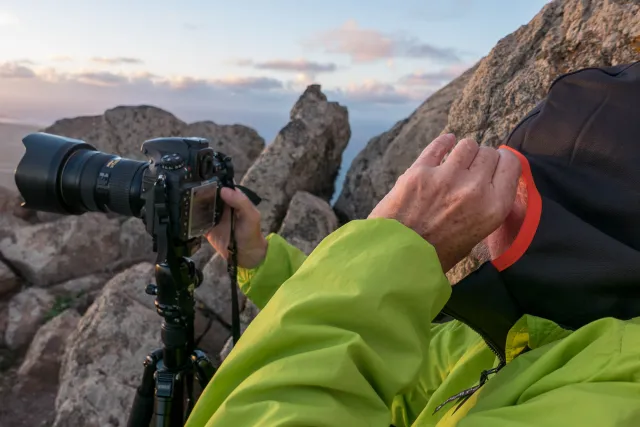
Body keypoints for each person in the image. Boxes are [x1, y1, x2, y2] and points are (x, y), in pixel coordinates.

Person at [184, 132, 640, 427]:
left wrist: (403, 242)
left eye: (507, 193)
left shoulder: (615, 395)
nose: (477, 213)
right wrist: (259, 260)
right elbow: (371, 353)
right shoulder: (516, 337)